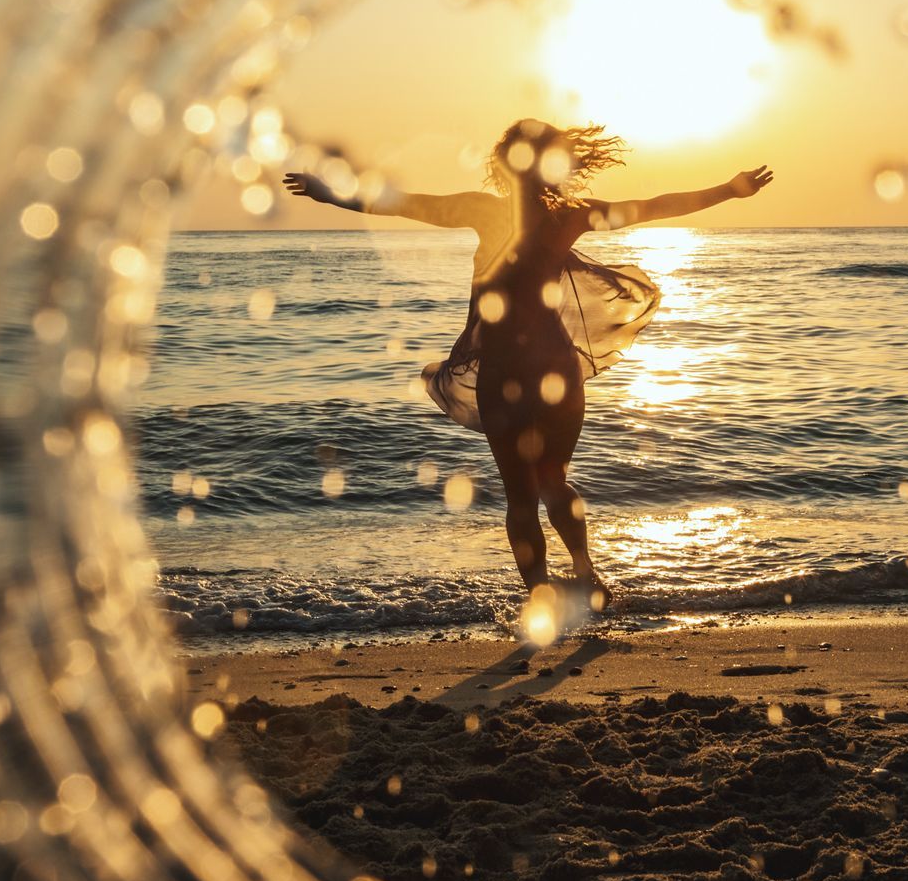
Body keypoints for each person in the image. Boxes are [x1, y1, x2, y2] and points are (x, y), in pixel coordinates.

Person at [283, 120, 772, 605]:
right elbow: (655, 207)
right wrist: (728, 190)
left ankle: (542, 594)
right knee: (552, 481)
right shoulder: (568, 217)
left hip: (507, 370)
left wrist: (331, 194)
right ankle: (585, 576)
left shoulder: (487, 211)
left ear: (505, 164)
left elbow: (396, 203)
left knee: (522, 495)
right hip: (556, 368)